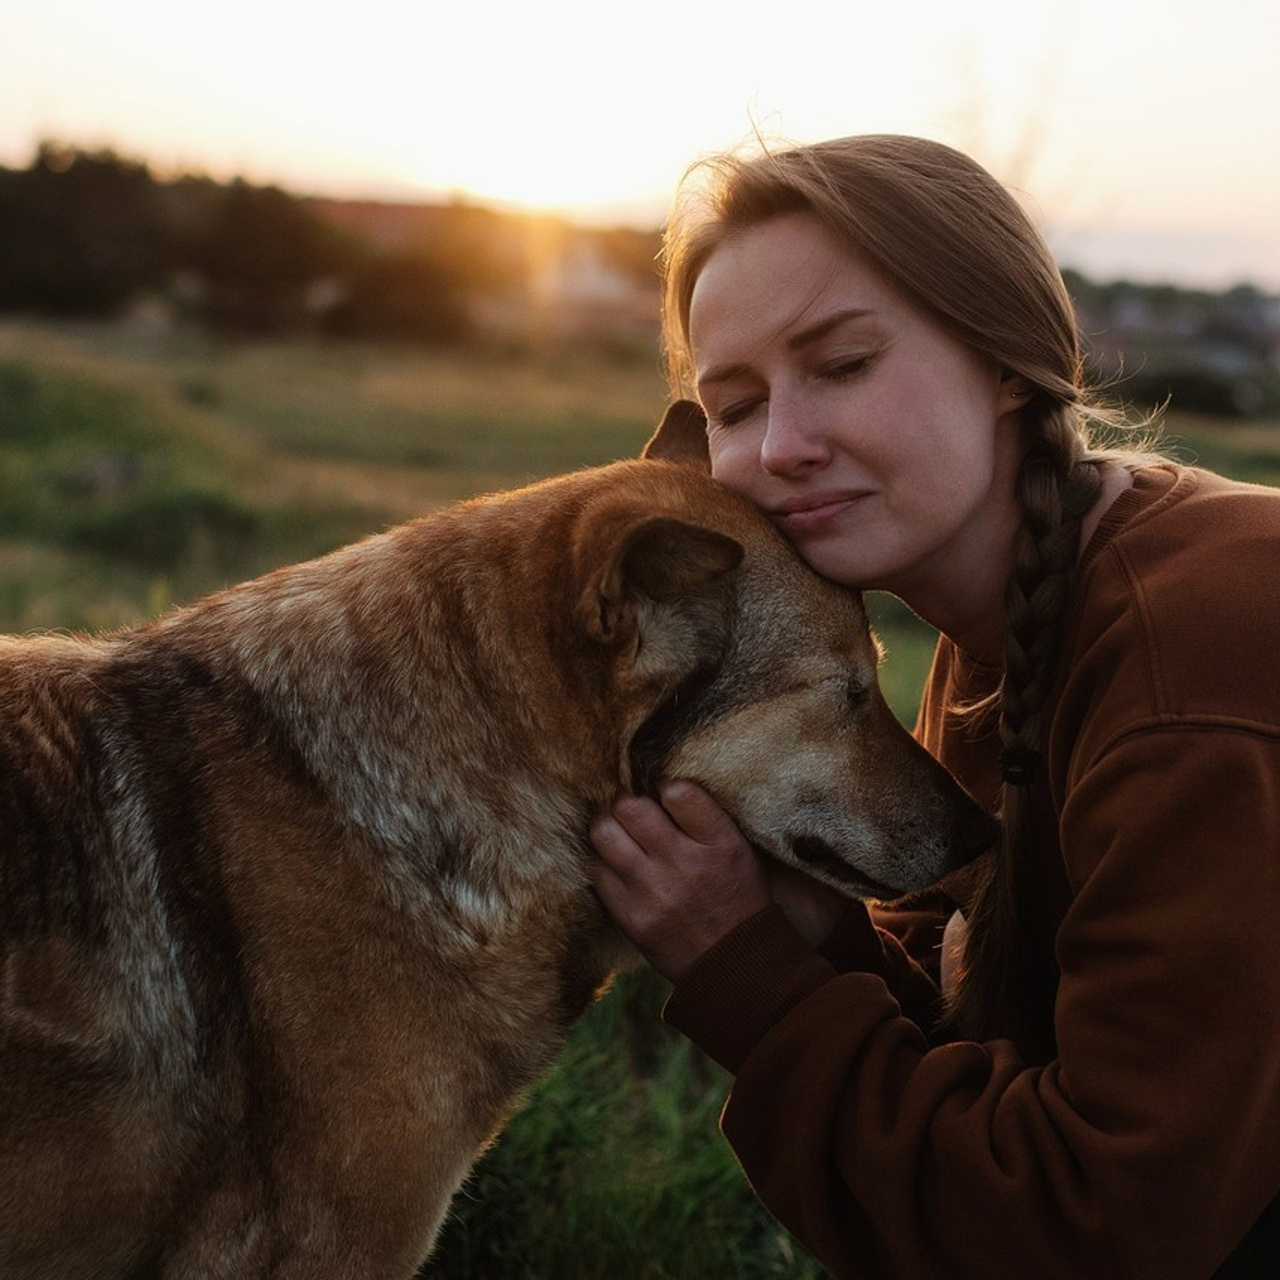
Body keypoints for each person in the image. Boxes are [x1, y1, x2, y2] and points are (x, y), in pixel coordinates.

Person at [588, 134, 1280, 1278]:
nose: (783, 447)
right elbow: (983, 1061)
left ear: (1005, 360)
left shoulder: (1191, 674)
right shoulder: (1000, 621)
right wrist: (813, 930)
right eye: (734, 402)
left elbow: (1098, 1229)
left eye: (843, 363)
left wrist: (743, 966)